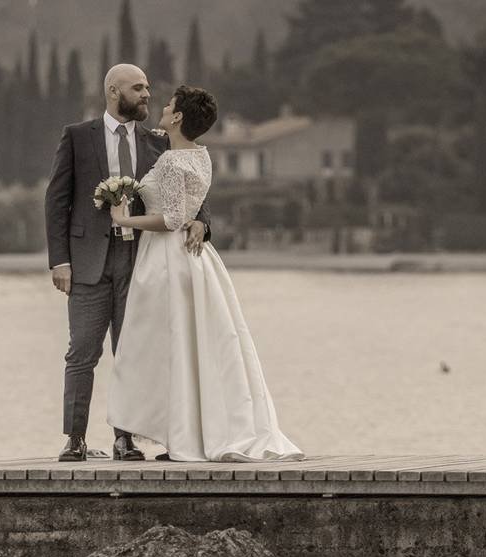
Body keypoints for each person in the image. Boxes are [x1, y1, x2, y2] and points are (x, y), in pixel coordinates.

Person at [106, 85, 304, 462]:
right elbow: (189, 212)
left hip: (165, 260)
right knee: (195, 345)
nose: (162, 107)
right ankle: (187, 432)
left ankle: (182, 436)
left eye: (168, 105)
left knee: (163, 347)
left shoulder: (170, 162)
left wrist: (122, 218)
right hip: (197, 261)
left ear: (178, 116)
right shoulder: (202, 157)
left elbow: (173, 218)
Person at [44, 64, 212, 462]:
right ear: (113, 91)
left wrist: (203, 223)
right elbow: (56, 200)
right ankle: (75, 439)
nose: (146, 95)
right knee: (82, 352)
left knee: (132, 351)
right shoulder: (77, 136)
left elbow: (189, 190)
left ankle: (125, 438)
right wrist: (59, 260)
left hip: (140, 262)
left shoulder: (158, 142)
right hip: (86, 263)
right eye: (138, 88)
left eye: (148, 88)